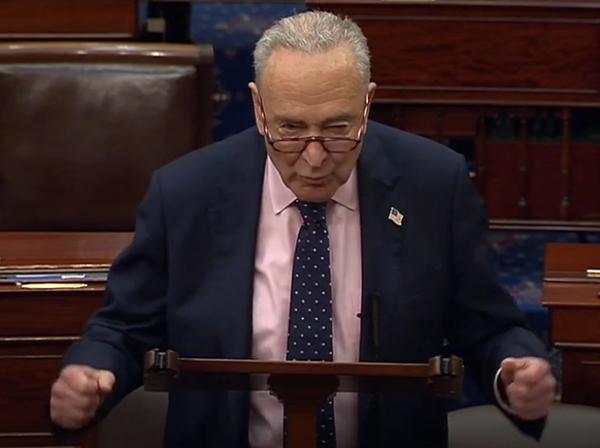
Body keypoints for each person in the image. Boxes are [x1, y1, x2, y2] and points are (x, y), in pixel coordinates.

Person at [49, 10, 556, 448]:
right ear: (258, 108)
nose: (314, 159)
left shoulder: (433, 186)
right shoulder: (186, 193)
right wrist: (91, 373)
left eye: (337, 130)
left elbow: (488, 325)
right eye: (290, 130)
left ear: (367, 104)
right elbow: (125, 326)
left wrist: (516, 370)